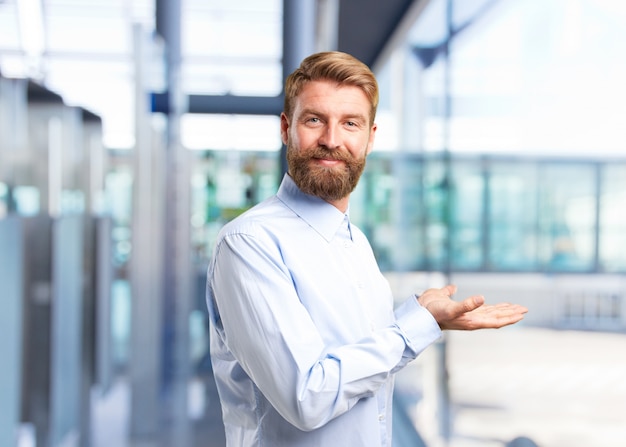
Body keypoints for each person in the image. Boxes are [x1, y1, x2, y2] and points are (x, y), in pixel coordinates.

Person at [205, 51, 528, 447]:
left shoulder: (354, 241)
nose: (332, 139)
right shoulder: (249, 243)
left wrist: (422, 316)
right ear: (286, 128)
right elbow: (308, 396)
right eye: (314, 120)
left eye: (350, 124)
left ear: (370, 138)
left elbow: (363, 366)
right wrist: (415, 326)